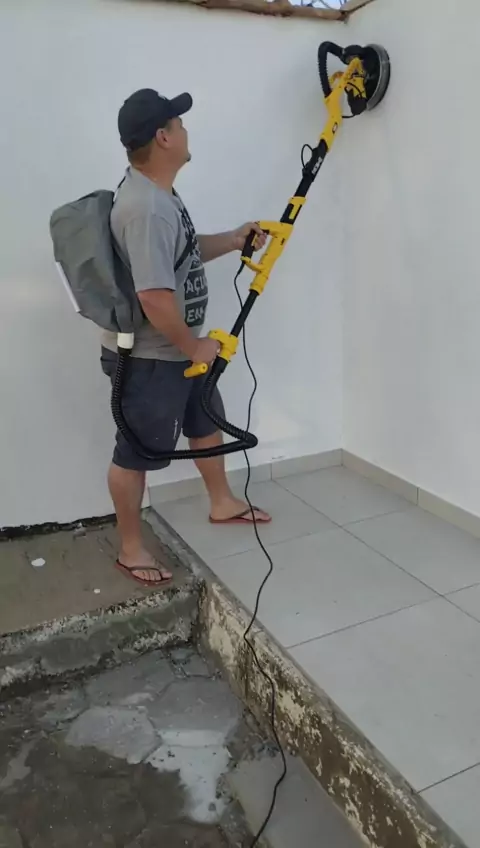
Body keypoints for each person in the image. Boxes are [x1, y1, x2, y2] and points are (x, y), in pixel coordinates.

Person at [100, 88, 271, 587]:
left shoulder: (160, 196)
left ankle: (222, 502)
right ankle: (131, 550)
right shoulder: (147, 208)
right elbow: (154, 298)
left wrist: (234, 239)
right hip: (152, 359)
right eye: (179, 124)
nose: (186, 130)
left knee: (204, 418)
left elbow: (184, 252)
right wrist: (194, 347)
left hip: (176, 350)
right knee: (135, 451)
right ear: (163, 137)